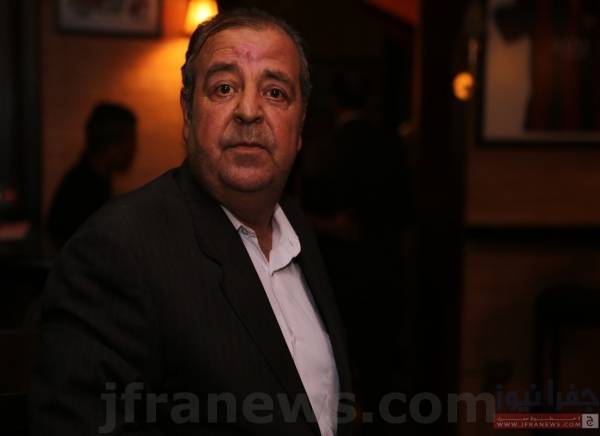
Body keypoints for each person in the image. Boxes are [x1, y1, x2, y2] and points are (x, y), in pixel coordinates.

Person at [31, 8, 353, 436]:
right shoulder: (116, 252)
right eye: (224, 88)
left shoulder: (296, 227)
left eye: (275, 92)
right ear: (188, 112)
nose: (249, 111)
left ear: (300, 127)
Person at [46, 102, 137, 248]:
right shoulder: (82, 190)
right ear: (111, 144)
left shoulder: (92, 180)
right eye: (130, 140)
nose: (134, 149)